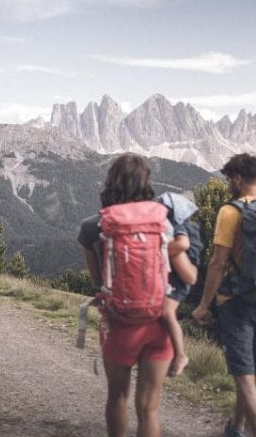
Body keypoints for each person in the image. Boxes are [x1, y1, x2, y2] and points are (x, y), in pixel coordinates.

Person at [78, 154, 174, 437]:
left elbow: (98, 280)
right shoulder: (163, 223)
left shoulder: (92, 226)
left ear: (110, 182)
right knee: (149, 409)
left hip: (120, 322)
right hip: (158, 322)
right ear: (146, 183)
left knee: (118, 397)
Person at [193, 153, 256, 437]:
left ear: (238, 179)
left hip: (235, 302)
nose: (228, 183)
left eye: (229, 178)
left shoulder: (231, 212)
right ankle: (237, 426)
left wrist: (204, 305)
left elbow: (218, 263)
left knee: (244, 375)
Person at [157, 193, 200, 377]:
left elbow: (182, 245)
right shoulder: (184, 225)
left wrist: (157, 251)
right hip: (177, 277)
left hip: (179, 280)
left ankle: (180, 355)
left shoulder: (180, 227)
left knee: (167, 312)